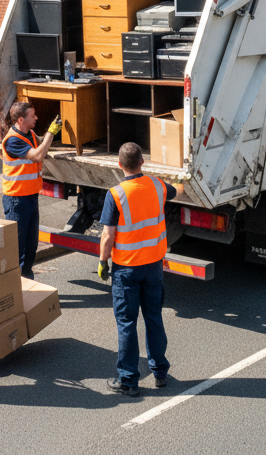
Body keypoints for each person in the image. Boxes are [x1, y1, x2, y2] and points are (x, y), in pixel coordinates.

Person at [97, 142, 184, 396]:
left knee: (127, 323)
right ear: (142, 162)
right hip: (154, 266)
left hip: (126, 270)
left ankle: (128, 380)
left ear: (119, 164)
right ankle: (160, 373)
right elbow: (176, 190)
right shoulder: (157, 186)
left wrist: (103, 262)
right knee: (154, 318)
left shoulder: (115, 194)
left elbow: (107, 235)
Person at [0, 101, 61, 280]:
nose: (36, 118)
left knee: (30, 247)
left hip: (30, 197)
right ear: (20, 119)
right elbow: (37, 155)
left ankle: (27, 282)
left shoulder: (30, 134)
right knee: (17, 248)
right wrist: (51, 132)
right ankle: (16, 288)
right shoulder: (12, 141)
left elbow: (41, 148)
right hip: (17, 200)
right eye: (32, 115)